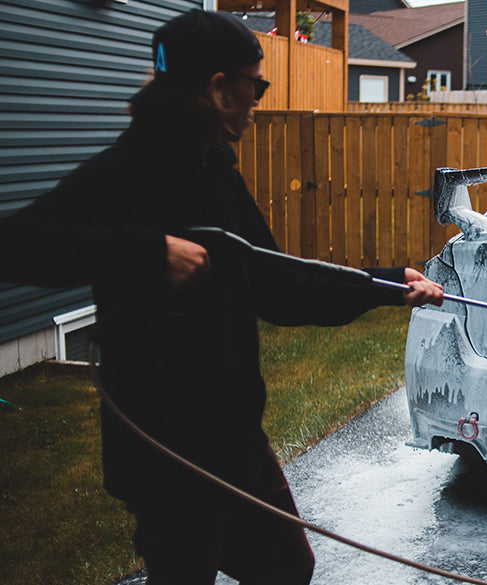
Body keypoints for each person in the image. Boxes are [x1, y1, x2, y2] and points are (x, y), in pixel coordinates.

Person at [0, 9, 443, 584]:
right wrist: (147, 251)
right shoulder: (121, 173)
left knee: (285, 567)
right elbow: (18, 245)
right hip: (166, 448)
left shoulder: (216, 173)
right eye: (255, 85)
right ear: (217, 88)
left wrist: (387, 284)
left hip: (233, 436)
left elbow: (278, 286)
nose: (259, 100)